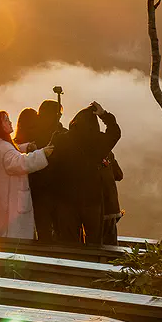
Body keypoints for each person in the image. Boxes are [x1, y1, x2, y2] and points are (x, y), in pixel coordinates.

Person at [50, 101, 121, 245]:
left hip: (65, 199)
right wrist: (104, 115)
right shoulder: (98, 141)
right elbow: (115, 132)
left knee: (68, 243)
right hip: (92, 199)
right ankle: (92, 264)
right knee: (95, 242)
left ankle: (72, 266)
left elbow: (51, 162)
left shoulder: (61, 139)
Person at [0, 110, 52, 239]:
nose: (10, 122)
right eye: (6, 120)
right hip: (12, 203)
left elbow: (14, 152)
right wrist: (43, 153)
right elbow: (18, 163)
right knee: (14, 241)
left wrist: (26, 147)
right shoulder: (4, 147)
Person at [29, 100, 66, 243]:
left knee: (44, 230)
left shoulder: (31, 133)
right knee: (57, 232)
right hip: (55, 191)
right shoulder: (62, 134)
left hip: (39, 190)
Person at [101, 151, 124, 245]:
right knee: (110, 241)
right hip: (111, 206)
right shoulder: (108, 153)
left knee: (96, 242)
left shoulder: (84, 152)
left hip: (95, 207)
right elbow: (119, 175)